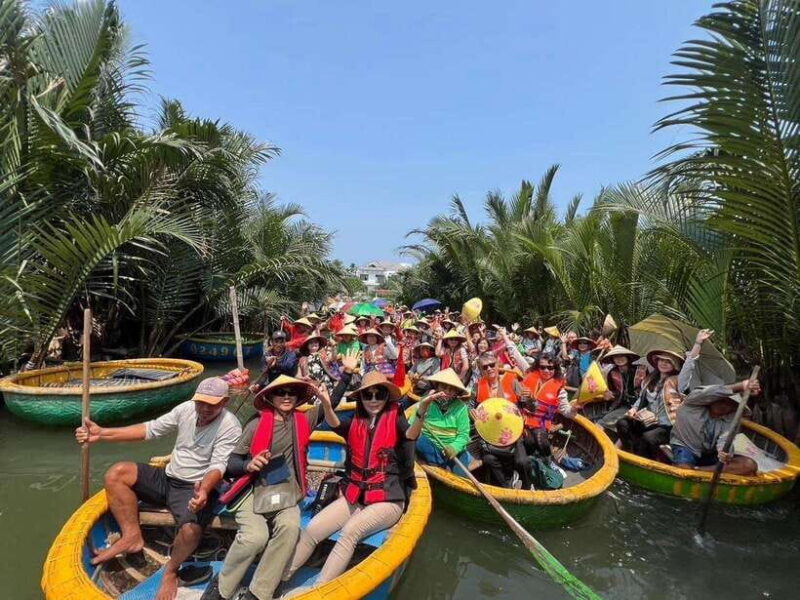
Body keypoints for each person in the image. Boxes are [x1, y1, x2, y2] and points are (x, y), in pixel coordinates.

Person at [76, 377, 241, 600]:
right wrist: (101, 433)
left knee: (191, 530)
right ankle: (132, 536)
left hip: (194, 487)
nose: (204, 408)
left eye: (211, 404)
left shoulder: (229, 425)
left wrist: (204, 490)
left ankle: (171, 570)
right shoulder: (186, 409)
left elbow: (218, 466)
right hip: (168, 477)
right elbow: (150, 429)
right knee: (117, 474)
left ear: (224, 402)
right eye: (200, 402)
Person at [283, 371, 418, 589]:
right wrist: (326, 404)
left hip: (388, 499)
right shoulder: (356, 420)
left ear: (387, 397)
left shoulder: (397, 420)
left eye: (379, 394)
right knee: (312, 529)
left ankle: (319, 591)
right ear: (361, 398)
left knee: (350, 532)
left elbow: (411, 434)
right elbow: (335, 424)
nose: (373, 400)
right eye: (368, 395)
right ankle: (279, 581)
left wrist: (421, 413)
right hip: (357, 496)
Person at [204, 375, 327, 600]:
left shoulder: (303, 420)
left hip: (286, 492)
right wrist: (249, 464)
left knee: (290, 527)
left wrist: (345, 376)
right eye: (281, 392)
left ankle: (259, 592)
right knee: (255, 537)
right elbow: (231, 463)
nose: (287, 397)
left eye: (291, 393)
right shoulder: (255, 424)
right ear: (270, 397)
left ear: (298, 397)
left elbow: (332, 404)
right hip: (253, 490)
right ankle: (221, 587)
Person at [669, 379, 760, 475]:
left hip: (709, 454)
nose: (723, 405)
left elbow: (725, 439)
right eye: (721, 400)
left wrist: (724, 454)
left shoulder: (730, 418)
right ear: (712, 399)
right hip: (685, 448)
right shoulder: (693, 402)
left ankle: (697, 471)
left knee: (749, 465)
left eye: (729, 404)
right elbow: (707, 393)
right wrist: (741, 386)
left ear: (733, 407)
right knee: (683, 469)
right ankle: (690, 471)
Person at [614, 350, 684, 459]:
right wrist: (634, 409)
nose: (663, 363)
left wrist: (697, 346)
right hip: (647, 420)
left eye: (668, 362)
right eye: (661, 360)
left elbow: (688, 371)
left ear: (675, 366)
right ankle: (629, 453)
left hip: (665, 425)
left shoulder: (678, 381)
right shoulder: (651, 379)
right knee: (622, 423)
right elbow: (641, 398)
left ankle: (643, 461)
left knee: (648, 438)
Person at [410, 368, 477, 474]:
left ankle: (440, 464)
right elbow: (411, 425)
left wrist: (454, 447)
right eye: (444, 387)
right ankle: (439, 464)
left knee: (460, 475)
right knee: (419, 441)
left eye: (451, 389)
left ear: (456, 392)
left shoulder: (461, 408)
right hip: (430, 446)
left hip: (453, 448)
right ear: (437, 386)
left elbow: (464, 435)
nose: (447, 392)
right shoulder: (427, 401)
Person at [471, 398, 533, 489]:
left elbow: (531, 405)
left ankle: (527, 486)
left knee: (522, 462)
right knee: (488, 458)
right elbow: (470, 406)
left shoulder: (514, 390)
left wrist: (530, 400)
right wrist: (472, 415)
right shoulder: (480, 398)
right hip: (491, 438)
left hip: (514, 437)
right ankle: (506, 486)